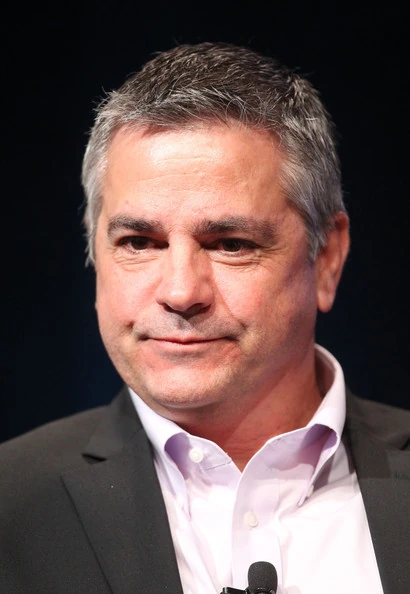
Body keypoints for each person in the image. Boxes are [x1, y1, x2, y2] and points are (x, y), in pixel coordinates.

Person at [0, 42, 409, 594]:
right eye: (139, 242)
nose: (180, 292)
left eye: (230, 244)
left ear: (328, 258)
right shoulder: (10, 504)